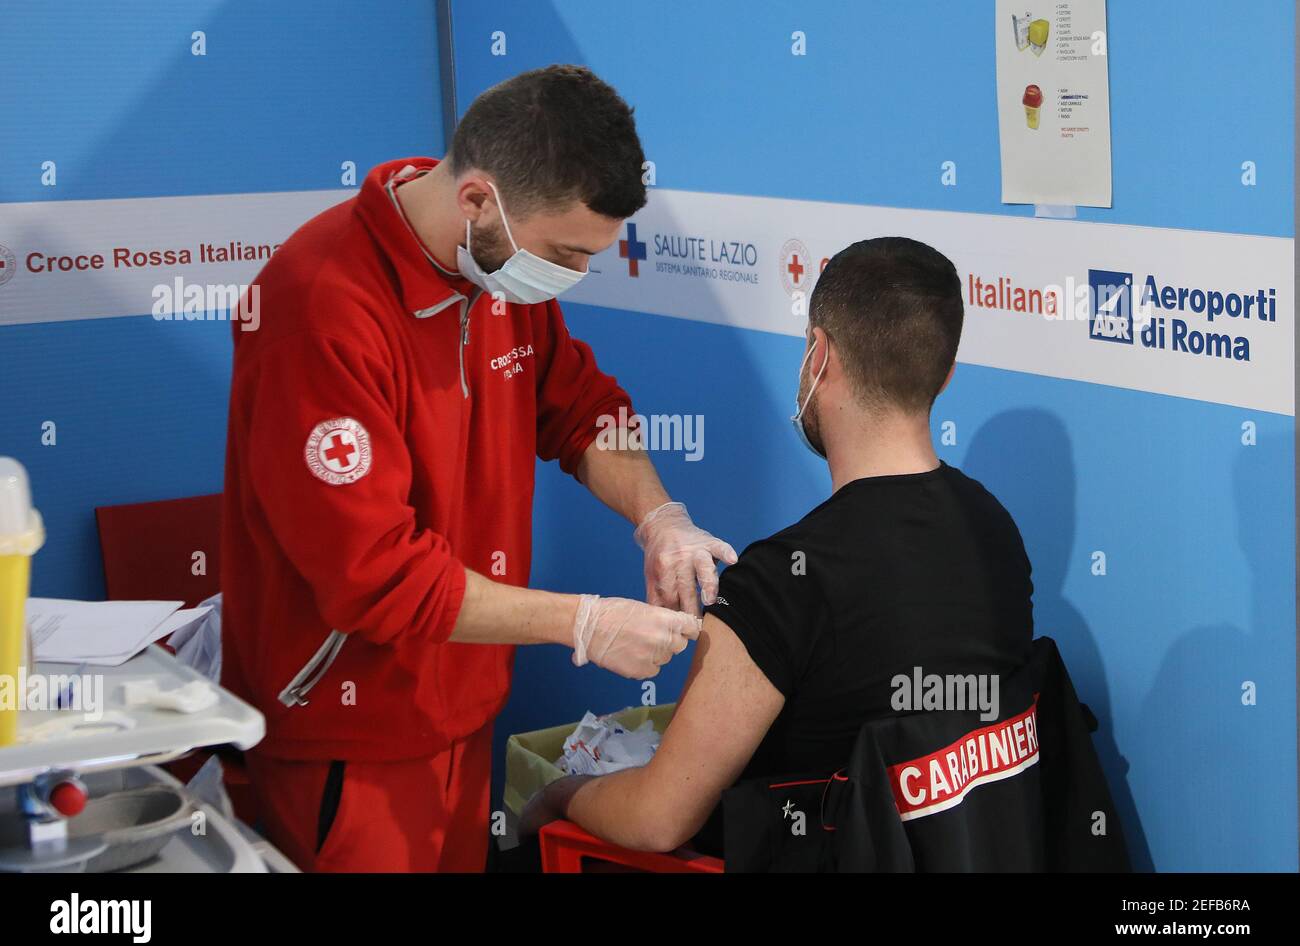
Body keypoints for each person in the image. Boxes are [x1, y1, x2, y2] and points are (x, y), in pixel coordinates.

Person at [220, 65, 735, 872]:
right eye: (566, 253)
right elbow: (375, 575)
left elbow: (581, 408)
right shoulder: (319, 309)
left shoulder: (497, 271)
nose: (572, 275)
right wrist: (583, 622)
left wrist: (659, 518)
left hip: (465, 708)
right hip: (351, 733)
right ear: (476, 200)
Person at [520, 237, 1036, 857]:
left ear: (818, 355)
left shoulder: (779, 583)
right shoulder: (995, 530)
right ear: (946, 374)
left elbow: (657, 820)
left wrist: (556, 795)